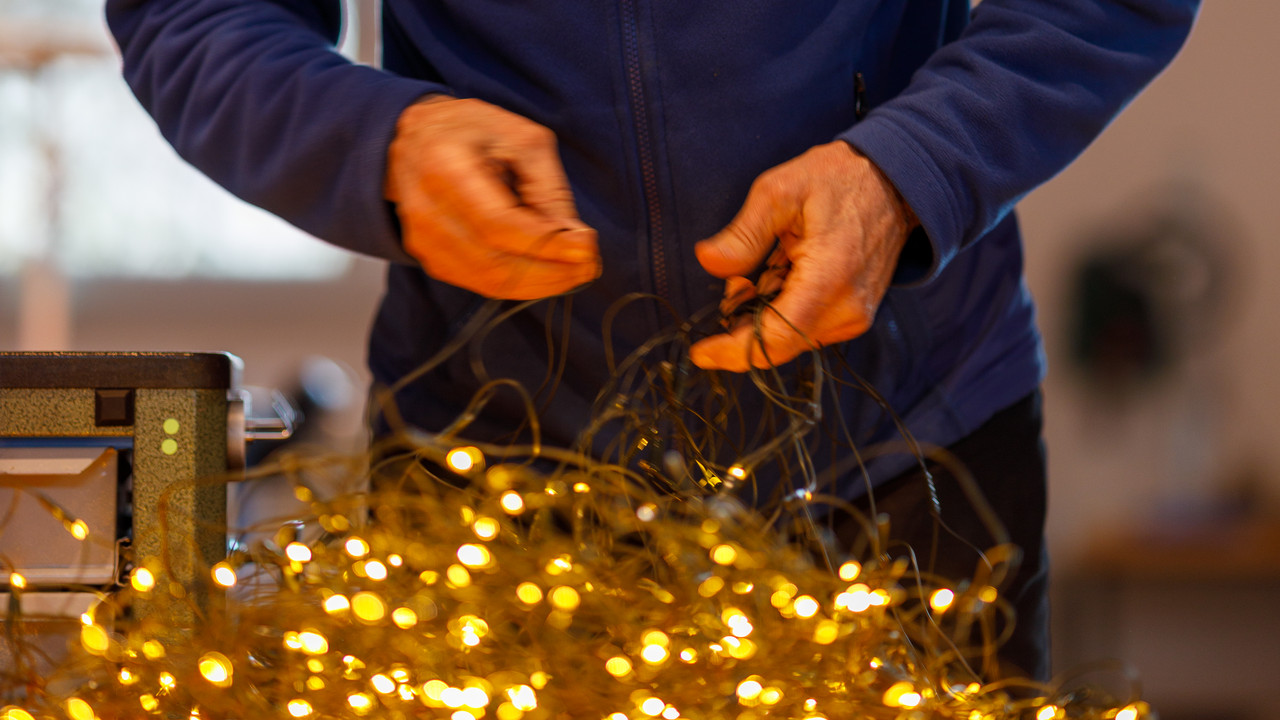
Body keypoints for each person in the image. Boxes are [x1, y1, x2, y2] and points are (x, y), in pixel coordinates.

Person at [106, 0, 1199, 681]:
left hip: (907, 459)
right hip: (490, 472)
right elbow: (191, 12)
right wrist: (374, 144)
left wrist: (903, 175)